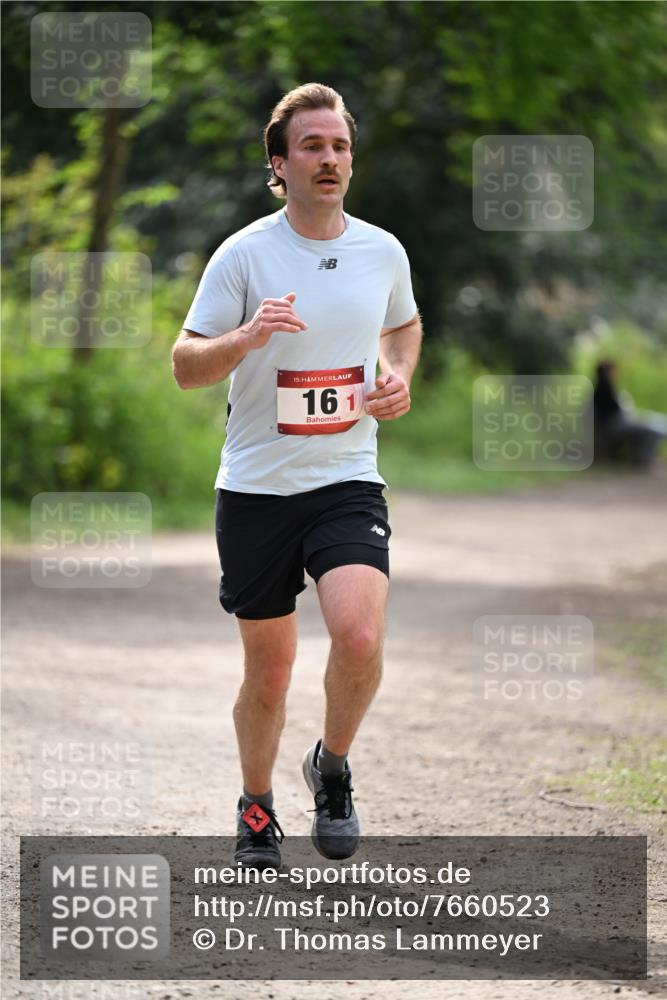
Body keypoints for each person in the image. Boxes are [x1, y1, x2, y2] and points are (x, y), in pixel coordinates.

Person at [172, 83, 422, 869]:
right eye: (312, 146)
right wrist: (246, 336)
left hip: (345, 477)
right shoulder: (244, 253)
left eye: (340, 145)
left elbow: (404, 323)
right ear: (279, 164)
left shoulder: (382, 249)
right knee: (270, 672)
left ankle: (333, 767)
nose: (329, 159)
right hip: (254, 490)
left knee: (358, 632)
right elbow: (184, 367)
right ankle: (256, 806)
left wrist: (396, 373)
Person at [592, 360, 667, 466]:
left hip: (616, 424)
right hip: (615, 426)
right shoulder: (604, 389)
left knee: (655, 423)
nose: (616, 373)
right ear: (607, 372)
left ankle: (644, 458)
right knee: (653, 430)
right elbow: (618, 414)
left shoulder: (604, 388)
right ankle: (643, 460)